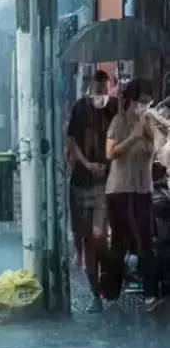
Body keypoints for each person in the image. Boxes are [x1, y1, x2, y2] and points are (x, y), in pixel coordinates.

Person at [106, 78, 163, 312]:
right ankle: (112, 292)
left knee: (145, 241)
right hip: (121, 190)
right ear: (131, 100)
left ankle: (149, 295)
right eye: (141, 102)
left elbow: (158, 148)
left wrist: (153, 129)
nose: (145, 106)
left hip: (143, 189)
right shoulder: (120, 121)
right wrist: (134, 136)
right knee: (123, 243)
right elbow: (110, 153)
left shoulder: (148, 120)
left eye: (148, 102)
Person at [66, 70, 119, 313]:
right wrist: (88, 164)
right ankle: (94, 293)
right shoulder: (80, 108)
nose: (102, 96)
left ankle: (111, 270)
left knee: (99, 236)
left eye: (105, 92)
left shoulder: (116, 108)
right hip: (81, 182)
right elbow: (72, 142)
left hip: (106, 183)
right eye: (98, 92)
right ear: (91, 89)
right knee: (87, 239)